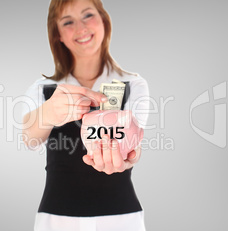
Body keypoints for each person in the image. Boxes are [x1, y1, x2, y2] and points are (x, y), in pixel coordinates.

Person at [21, 0, 150, 230]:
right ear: (58, 34)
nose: (81, 28)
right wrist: (49, 113)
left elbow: (135, 137)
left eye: (88, 15)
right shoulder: (43, 88)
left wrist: (131, 155)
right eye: (68, 22)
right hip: (56, 218)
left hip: (121, 218)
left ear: (104, 20)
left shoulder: (134, 83)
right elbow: (29, 138)